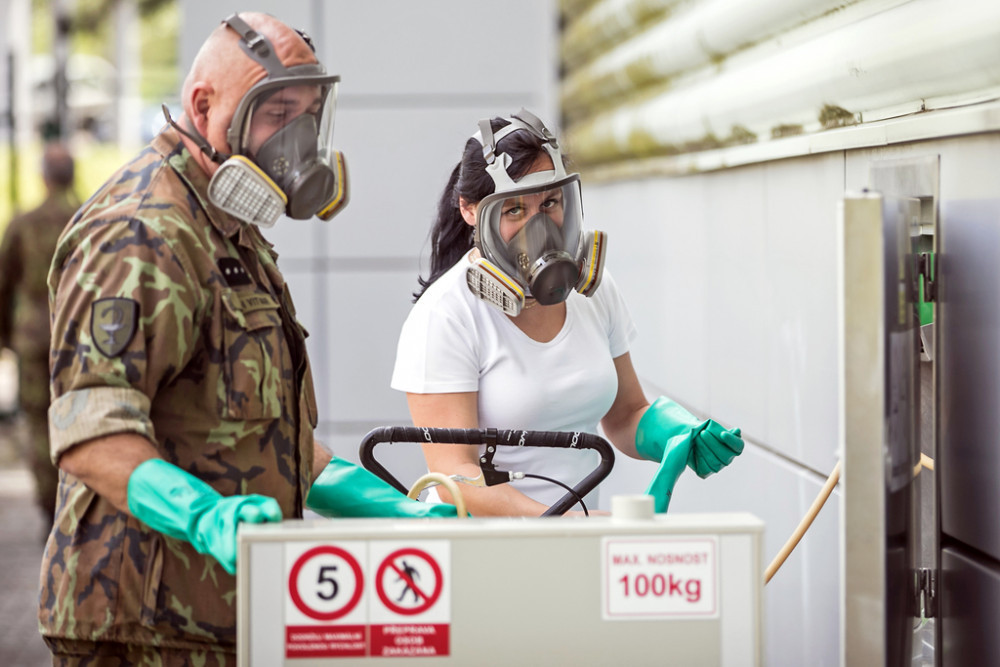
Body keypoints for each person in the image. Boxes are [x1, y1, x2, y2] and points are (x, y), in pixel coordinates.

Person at [39, 12, 456, 666]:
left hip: (216, 620)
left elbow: (256, 433)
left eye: (308, 117)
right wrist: (204, 516)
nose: (297, 141)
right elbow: (90, 433)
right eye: (277, 113)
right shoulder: (142, 233)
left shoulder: (228, 230)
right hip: (140, 625)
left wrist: (388, 507)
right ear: (203, 106)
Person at [391, 109, 745, 517]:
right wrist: (570, 524)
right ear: (470, 211)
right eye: (514, 210)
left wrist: (674, 433)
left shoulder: (594, 291)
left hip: (575, 537)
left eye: (550, 203)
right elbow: (455, 478)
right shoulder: (446, 315)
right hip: (483, 545)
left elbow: (625, 415)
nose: (539, 227)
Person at [0, 142, 79, 532]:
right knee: (80, 418)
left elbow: (3, 285)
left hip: (33, 337)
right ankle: (72, 506)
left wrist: (4, 337)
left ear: (44, 177)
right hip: (78, 336)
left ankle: (49, 508)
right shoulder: (88, 217)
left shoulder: (23, 223)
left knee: (38, 424)